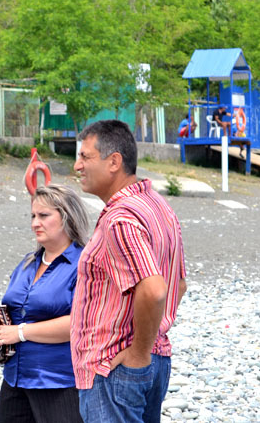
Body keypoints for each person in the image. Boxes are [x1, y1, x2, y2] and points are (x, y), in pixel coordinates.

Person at [71, 120, 187, 423]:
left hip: (116, 366)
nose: (77, 166)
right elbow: (179, 284)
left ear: (114, 162)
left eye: (85, 157)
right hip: (153, 359)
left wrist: (138, 353)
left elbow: (155, 290)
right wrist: (149, 345)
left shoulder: (120, 218)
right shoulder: (158, 206)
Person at [0, 184, 89, 423]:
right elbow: (13, 313)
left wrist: (21, 333)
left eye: (44, 215)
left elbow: (81, 323)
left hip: (59, 382)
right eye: (33, 216)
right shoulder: (27, 262)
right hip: (15, 379)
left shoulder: (84, 264)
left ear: (67, 217)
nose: (35, 223)